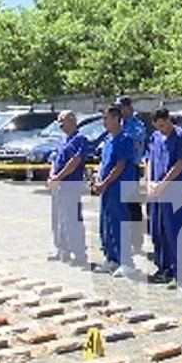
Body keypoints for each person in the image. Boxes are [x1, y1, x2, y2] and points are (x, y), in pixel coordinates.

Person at [91, 104, 137, 278]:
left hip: (118, 187)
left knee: (120, 223)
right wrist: (97, 179)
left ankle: (126, 262)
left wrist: (105, 182)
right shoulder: (108, 139)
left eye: (106, 118)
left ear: (116, 119)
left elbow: (120, 165)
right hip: (107, 188)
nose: (104, 122)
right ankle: (111, 258)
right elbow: (104, 163)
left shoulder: (124, 139)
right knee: (106, 224)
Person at [146, 108, 182, 285]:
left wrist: (163, 183)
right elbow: (148, 159)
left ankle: (179, 270)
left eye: (163, 125)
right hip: (156, 191)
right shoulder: (155, 137)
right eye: (158, 126)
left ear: (168, 120)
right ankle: (162, 266)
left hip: (174, 191)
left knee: (174, 230)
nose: (161, 129)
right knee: (157, 230)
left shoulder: (181, 137)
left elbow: (180, 163)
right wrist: (149, 181)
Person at [46, 110, 88, 267]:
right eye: (59, 121)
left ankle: (79, 254)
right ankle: (61, 250)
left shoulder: (80, 139)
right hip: (58, 185)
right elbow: (54, 160)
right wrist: (52, 176)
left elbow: (75, 161)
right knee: (58, 219)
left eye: (62, 120)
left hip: (70, 184)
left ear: (72, 120)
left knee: (72, 220)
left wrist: (58, 177)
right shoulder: (62, 139)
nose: (60, 124)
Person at [115, 95, 147, 254]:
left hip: (131, 168)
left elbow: (133, 142)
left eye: (121, 107)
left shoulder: (137, 125)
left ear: (128, 107)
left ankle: (136, 242)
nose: (119, 111)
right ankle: (122, 239)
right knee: (119, 204)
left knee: (132, 205)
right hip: (119, 167)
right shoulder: (119, 123)